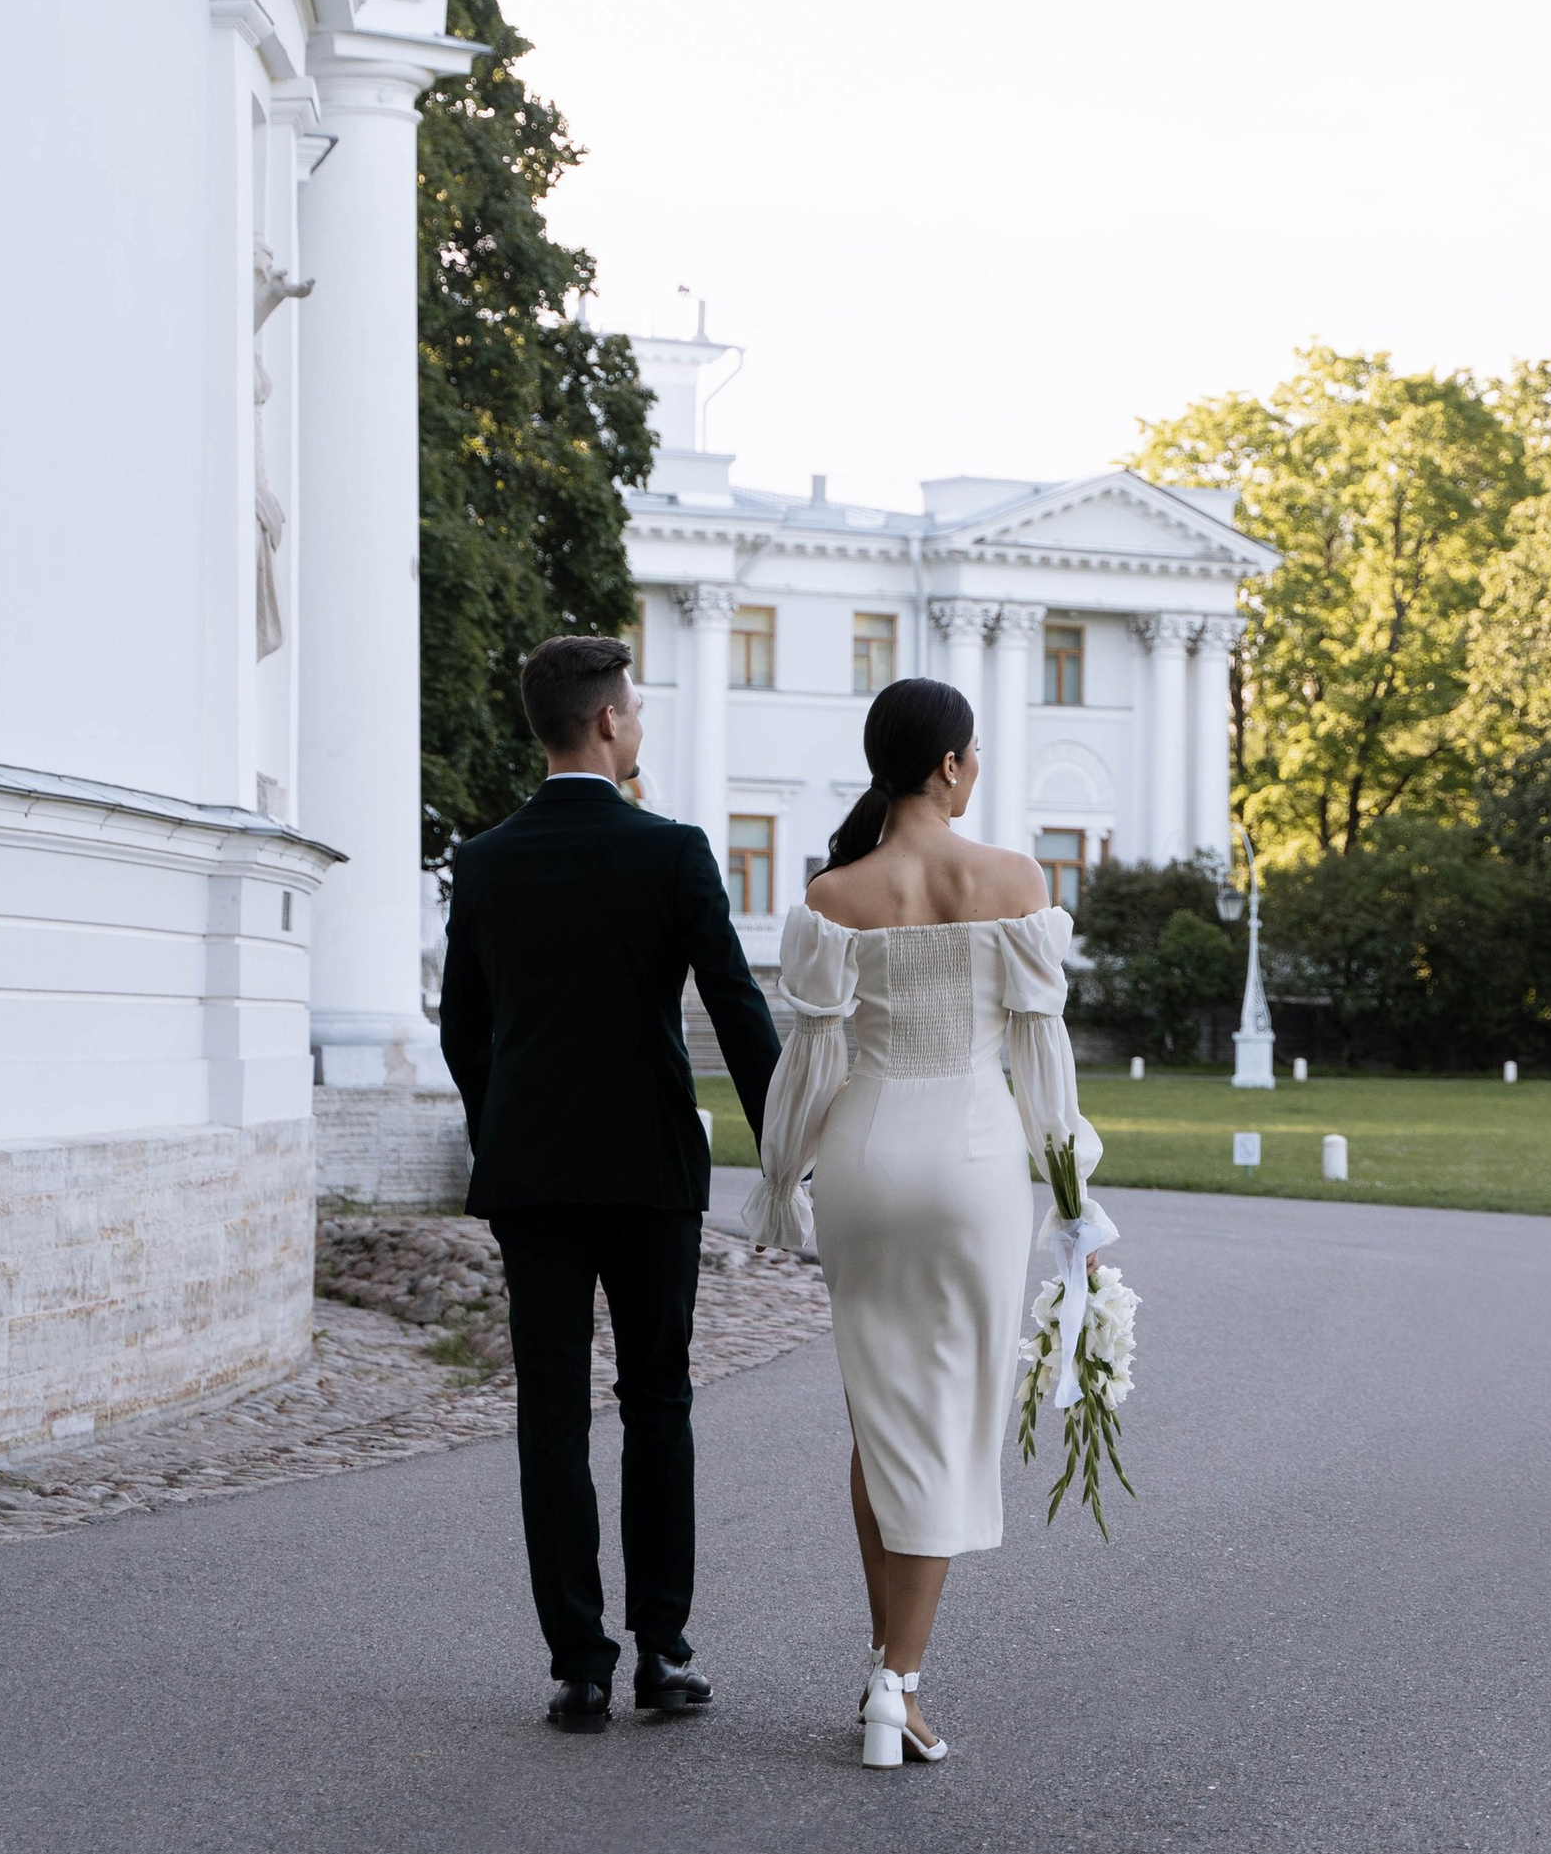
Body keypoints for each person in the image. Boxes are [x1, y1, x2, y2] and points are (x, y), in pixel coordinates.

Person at [747, 675, 1111, 1766]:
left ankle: (885, 1671)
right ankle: (896, 1681)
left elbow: (808, 1067)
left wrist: (781, 1179)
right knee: (947, 1421)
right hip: (973, 1161)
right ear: (950, 763)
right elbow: (1042, 1061)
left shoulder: (831, 896)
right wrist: (1073, 1197)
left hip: (863, 1159)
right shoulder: (1012, 880)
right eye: (975, 751)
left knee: (882, 1417)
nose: (978, 767)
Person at [440, 634, 785, 1732]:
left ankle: (578, 1666)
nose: (638, 725)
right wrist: (788, 1142)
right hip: (648, 1168)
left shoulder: (484, 862)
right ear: (605, 721)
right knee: (657, 1402)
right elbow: (736, 1008)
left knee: (550, 1412)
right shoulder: (673, 852)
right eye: (633, 709)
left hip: (532, 1172)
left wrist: (502, 1128)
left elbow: (462, 1033)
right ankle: (663, 1653)